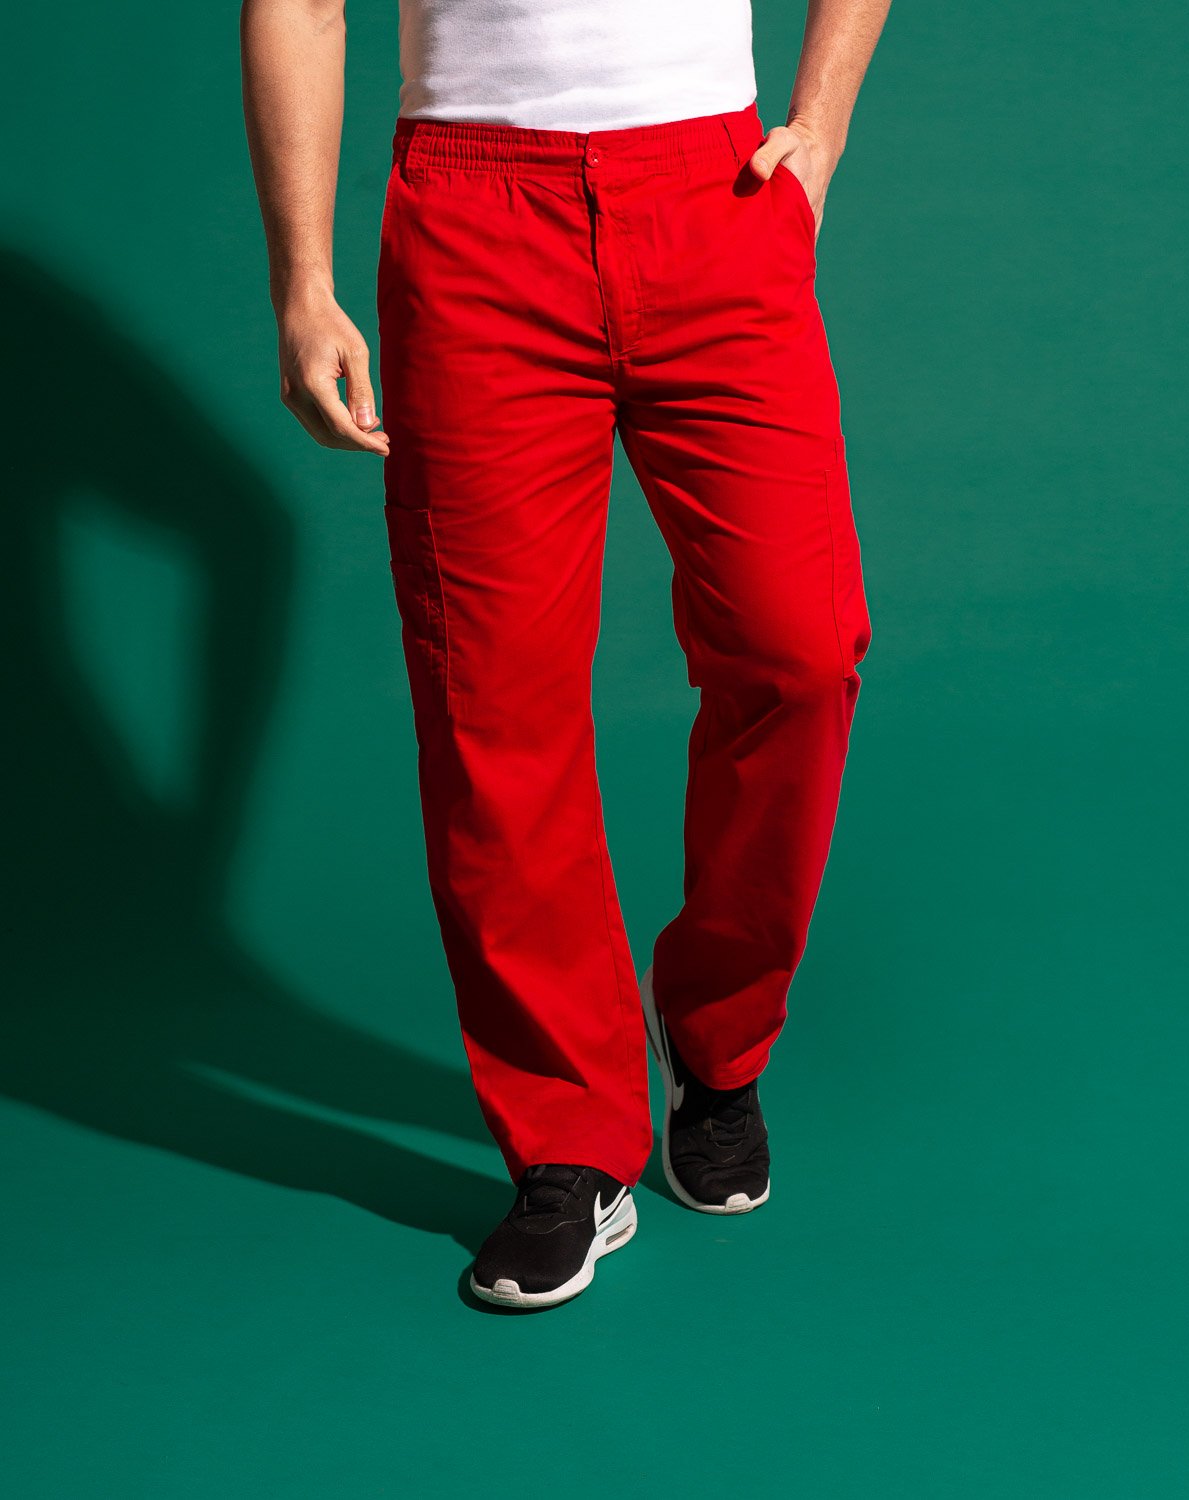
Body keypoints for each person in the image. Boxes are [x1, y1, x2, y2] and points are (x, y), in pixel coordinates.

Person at [241, 0, 891, 1309]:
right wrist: (303, 284)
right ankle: (568, 1145)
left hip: (713, 190)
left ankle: (716, 1038)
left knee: (801, 651)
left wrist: (818, 127)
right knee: (490, 700)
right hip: (474, 211)